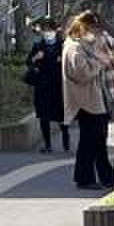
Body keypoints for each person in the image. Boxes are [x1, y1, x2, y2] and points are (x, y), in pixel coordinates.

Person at [61, 10, 114, 192]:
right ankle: (85, 178)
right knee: (90, 142)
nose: (95, 33)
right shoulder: (73, 47)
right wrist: (100, 62)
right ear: (85, 27)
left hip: (94, 100)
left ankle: (107, 177)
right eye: (93, 28)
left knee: (99, 141)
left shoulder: (83, 45)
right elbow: (82, 73)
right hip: (85, 101)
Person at [24, 17, 70, 155]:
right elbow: (29, 63)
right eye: (45, 30)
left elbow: (71, 64)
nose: (47, 32)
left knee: (61, 116)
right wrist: (35, 59)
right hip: (43, 86)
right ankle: (47, 144)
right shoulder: (38, 46)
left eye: (50, 30)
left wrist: (62, 60)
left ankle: (66, 140)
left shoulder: (63, 45)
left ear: (56, 31)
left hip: (59, 86)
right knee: (44, 116)